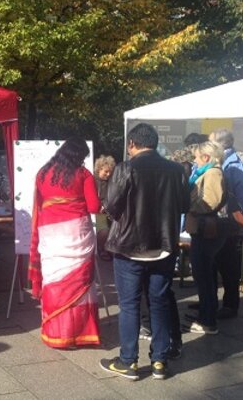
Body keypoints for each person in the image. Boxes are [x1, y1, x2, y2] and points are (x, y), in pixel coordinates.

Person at [100, 123, 189, 381]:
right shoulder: (176, 170)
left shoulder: (125, 168)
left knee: (129, 305)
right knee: (159, 303)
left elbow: (112, 206)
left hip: (129, 247)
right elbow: (184, 205)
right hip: (164, 246)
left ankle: (128, 361)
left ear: (132, 143)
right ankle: (160, 360)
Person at [28, 137, 101, 349]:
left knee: (53, 279)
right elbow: (94, 207)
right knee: (79, 283)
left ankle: (56, 333)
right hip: (77, 234)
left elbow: (39, 205)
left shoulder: (42, 174)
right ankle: (79, 334)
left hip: (50, 235)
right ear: (79, 155)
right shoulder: (83, 174)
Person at [208, 129, 243, 319]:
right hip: (218, 221)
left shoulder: (234, 165)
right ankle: (209, 301)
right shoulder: (223, 161)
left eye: (210, 142)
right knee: (213, 263)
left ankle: (230, 304)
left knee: (228, 265)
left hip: (228, 222)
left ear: (220, 144)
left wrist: (236, 217)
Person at [184, 141, 226, 335]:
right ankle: (206, 313)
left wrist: (189, 207)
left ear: (206, 157)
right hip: (203, 229)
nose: (195, 161)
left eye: (197, 157)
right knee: (204, 275)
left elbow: (210, 201)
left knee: (204, 275)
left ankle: (208, 321)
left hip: (206, 230)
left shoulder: (213, 173)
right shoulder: (209, 172)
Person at [94, 155, 116, 260]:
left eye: (110, 172)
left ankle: (108, 249)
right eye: (106, 172)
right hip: (98, 211)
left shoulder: (112, 182)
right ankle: (101, 249)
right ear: (99, 169)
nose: (108, 174)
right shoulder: (92, 180)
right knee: (104, 231)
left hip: (109, 210)